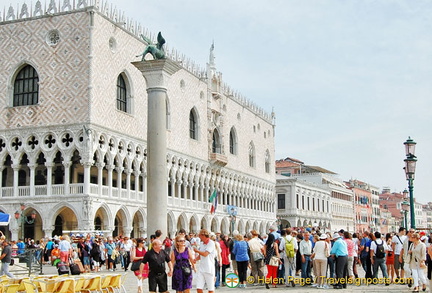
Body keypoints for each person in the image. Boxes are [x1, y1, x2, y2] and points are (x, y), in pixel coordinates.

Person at [193, 229, 216, 293]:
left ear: (203, 235)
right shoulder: (201, 243)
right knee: (199, 288)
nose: (199, 237)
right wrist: (196, 259)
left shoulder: (211, 243)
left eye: (199, 235)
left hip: (209, 269)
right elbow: (201, 255)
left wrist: (197, 251)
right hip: (201, 268)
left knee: (210, 289)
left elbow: (205, 254)